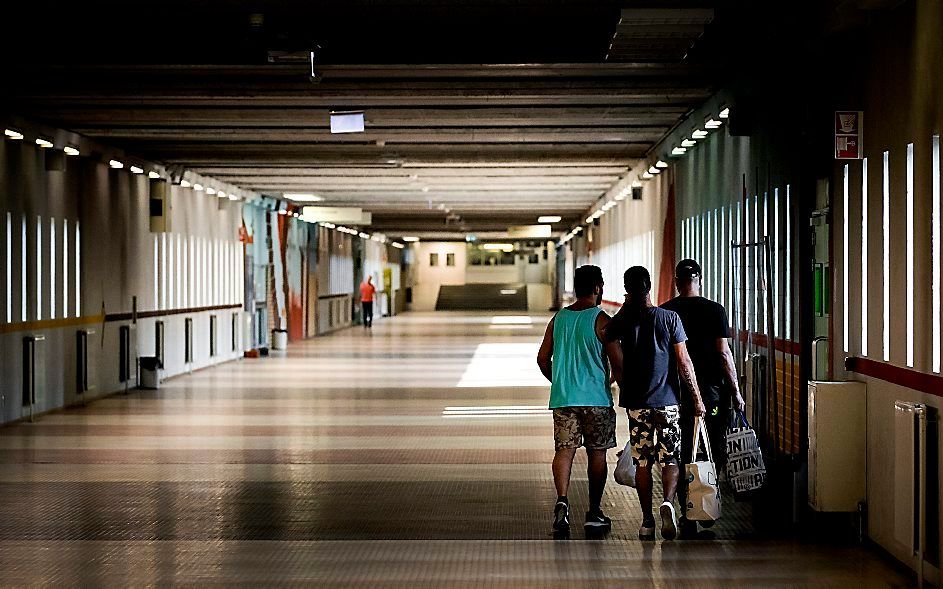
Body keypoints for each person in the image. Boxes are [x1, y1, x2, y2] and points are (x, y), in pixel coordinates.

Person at [605, 266, 705, 541]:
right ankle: (668, 503)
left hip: (637, 402)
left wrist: (625, 385)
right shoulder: (669, 318)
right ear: (650, 287)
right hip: (668, 402)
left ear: (627, 289)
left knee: (643, 462)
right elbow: (684, 363)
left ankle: (647, 521)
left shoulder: (622, 321)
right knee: (670, 458)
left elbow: (614, 356)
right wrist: (696, 399)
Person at [661, 259, 745, 537]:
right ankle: (705, 502)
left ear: (676, 281)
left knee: (683, 451)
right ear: (700, 279)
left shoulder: (666, 311)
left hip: (675, 393)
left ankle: (686, 512)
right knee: (713, 449)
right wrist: (736, 392)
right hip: (711, 392)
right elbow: (724, 354)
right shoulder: (715, 311)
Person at [537, 265, 623, 536]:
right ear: (598, 287)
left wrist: (560, 381)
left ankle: (562, 502)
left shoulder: (558, 319)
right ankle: (594, 512)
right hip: (595, 399)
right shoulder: (602, 320)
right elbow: (618, 361)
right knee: (597, 453)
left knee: (564, 450)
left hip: (564, 398)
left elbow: (542, 358)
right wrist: (612, 382)